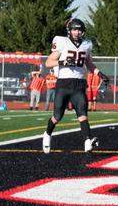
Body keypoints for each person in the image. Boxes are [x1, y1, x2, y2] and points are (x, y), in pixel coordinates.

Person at [42, 18, 106, 154]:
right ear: (69, 30)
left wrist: (99, 73)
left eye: (79, 29)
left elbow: (88, 63)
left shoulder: (86, 45)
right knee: (57, 116)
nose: (77, 32)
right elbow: (48, 62)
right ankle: (47, 134)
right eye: (74, 29)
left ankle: (87, 141)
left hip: (79, 84)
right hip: (64, 83)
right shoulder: (62, 42)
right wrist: (63, 62)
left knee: (82, 114)